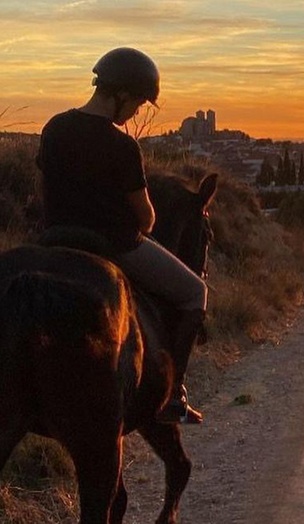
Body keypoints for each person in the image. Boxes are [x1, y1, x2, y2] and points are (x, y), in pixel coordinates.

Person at [36, 47, 206, 424]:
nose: (136, 112)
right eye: (140, 104)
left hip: (54, 241)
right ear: (122, 95)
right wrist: (143, 224)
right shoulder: (123, 146)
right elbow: (144, 216)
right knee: (196, 292)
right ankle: (173, 395)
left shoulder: (54, 128)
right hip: (113, 245)